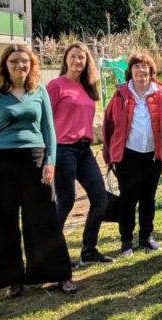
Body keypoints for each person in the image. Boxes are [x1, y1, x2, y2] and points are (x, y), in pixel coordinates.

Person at [0, 44, 76, 298]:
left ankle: (57, 274)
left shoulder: (39, 91)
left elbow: (49, 129)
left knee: (44, 219)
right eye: (13, 62)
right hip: (1, 164)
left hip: (35, 160)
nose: (20, 66)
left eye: (24, 62)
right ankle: (12, 279)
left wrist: (50, 161)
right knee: (4, 222)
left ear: (31, 65)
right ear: (4, 66)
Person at [48, 42, 113, 265]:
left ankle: (89, 250)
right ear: (66, 59)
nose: (77, 61)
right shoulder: (56, 86)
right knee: (66, 200)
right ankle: (51, 255)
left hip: (85, 150)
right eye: (73, 57)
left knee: (100, 198)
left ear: (87, 62)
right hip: (63, 149)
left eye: (82, 58)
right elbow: (45, 121)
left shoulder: (88, 87)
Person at [103, 53, 162, 256]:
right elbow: (108, 126)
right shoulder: (120, 95)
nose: (141, 71)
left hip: (152, 156)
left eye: (145, 67)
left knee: (148, 198)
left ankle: (146, 237)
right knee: (127, 199)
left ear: (151, 71)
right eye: (136, 67)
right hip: (127, 156)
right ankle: (126, 241)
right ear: (130, 71)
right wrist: (109, 155)